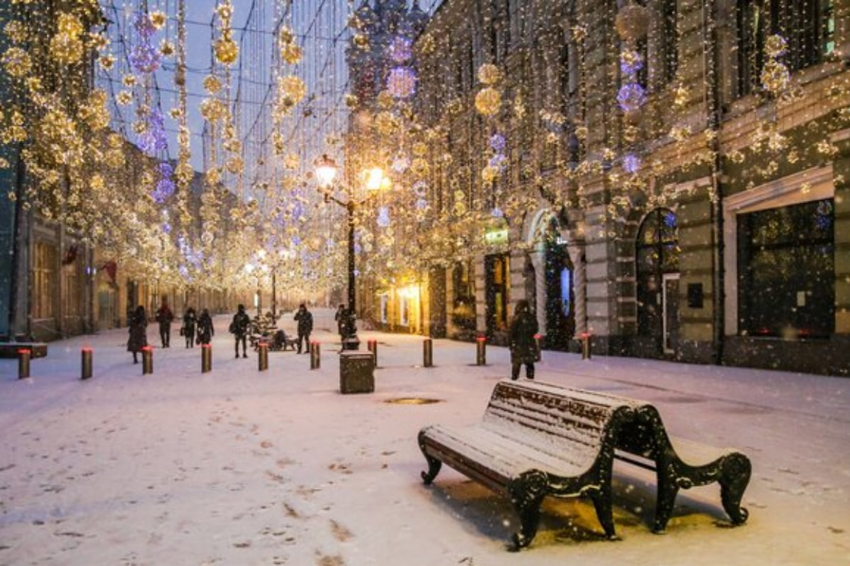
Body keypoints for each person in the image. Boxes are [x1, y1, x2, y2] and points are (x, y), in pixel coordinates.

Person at [508, 299, 539, 380]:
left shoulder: (516, 318)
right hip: (529, 344)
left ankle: (514, 380)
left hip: (518, 345)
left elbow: (511, 333)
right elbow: (535, 330)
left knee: (516, 364)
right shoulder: (531, 318)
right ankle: (530, 380)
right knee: (529, 364)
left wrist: (510, 344)